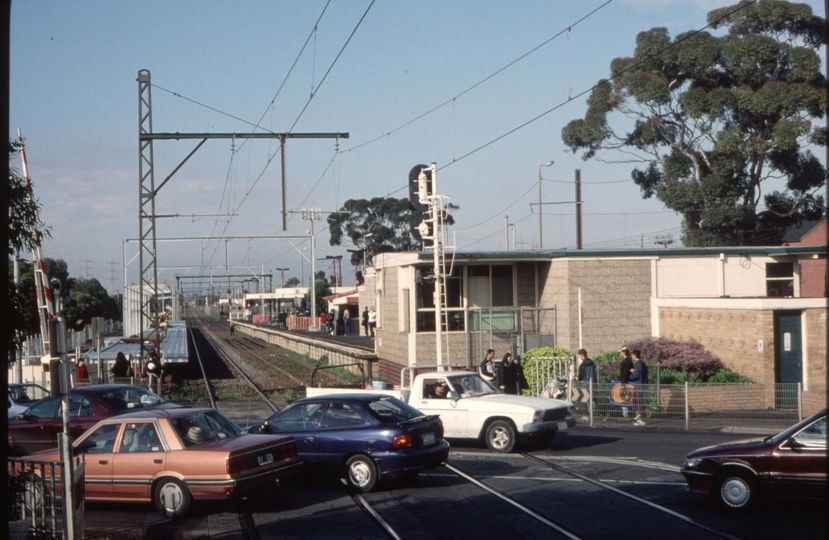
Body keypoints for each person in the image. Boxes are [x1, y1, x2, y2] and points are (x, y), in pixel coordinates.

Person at [629, 349, 648, 426]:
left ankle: (640, 419)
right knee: (639, 401)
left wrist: (630, 375)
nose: (631, 357)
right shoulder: (643, 364)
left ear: (634, 355)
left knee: (638, 402)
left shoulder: (637, 364)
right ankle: (639, 417)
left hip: (638, 385)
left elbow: (636, 375)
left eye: (632, 355)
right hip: (642, 384)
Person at [619, 346, 634, 419]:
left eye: (621, 352)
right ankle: (626, 414)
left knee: (624, 397)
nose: (620, 354)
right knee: (626, 397)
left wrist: (623, 383)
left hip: (626, 382)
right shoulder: (628, 361)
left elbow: (625, 373)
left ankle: (625, 415)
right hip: (627, 381)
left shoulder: (626, 362)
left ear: (624, 353)